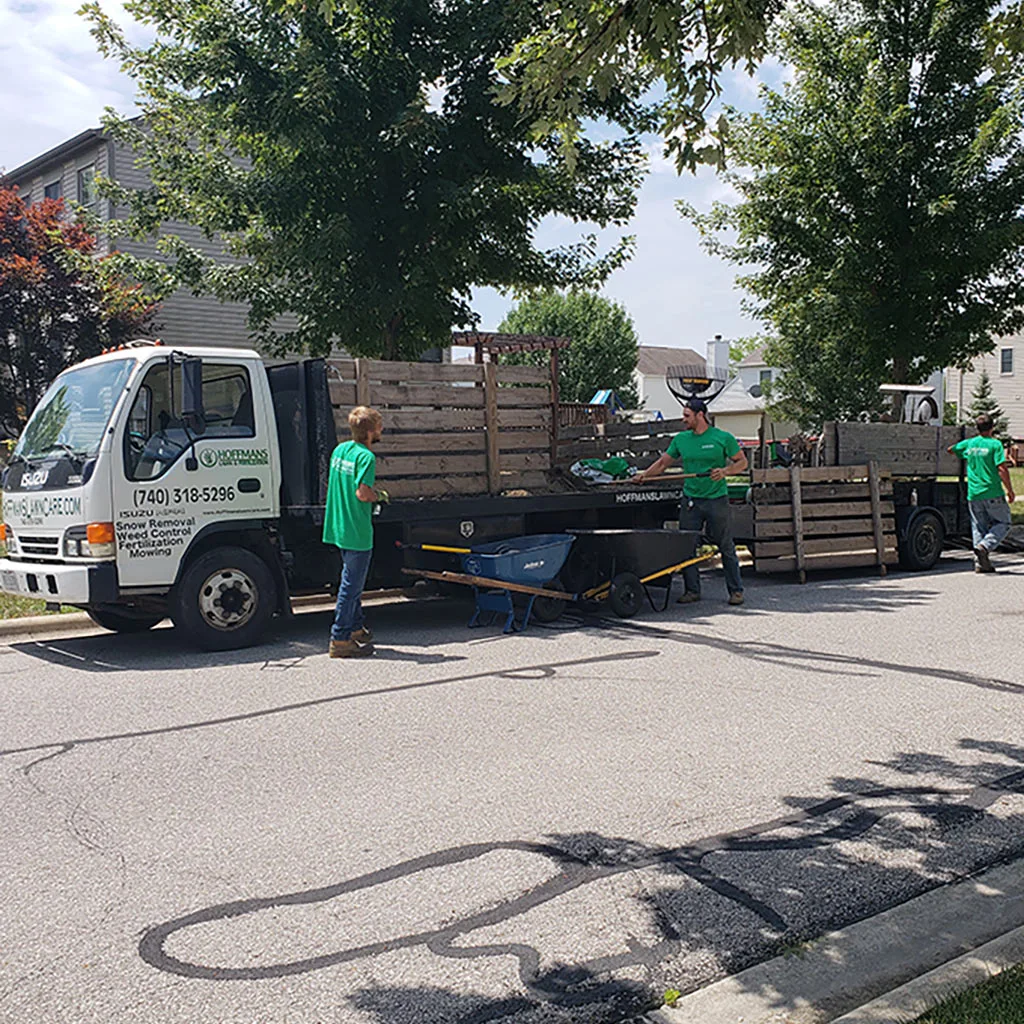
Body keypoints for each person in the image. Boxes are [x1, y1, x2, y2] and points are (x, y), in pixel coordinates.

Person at [633, 398, 749, 605]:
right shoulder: (681, 439)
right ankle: (692, 590)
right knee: (687, 545)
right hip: (691, 500)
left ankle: (736, 590)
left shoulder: (722, 438)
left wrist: (725, 471)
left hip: (716, 499)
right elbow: (662, 463)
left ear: (700, 415)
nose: (683, 419)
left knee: (725, 544)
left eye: (687, 415)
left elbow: (742, 462)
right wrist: (644, 476)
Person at [323, 406, 388, 657]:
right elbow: (362, 494)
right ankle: (340, 638)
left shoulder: (341, 450)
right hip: (357, 529)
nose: (382, 430)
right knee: (351, 586)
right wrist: (380, 495)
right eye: (380, 426)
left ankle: (355, 626)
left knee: (352, 580)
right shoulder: (366, 457)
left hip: (339, 524)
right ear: (370, 432)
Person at [948, 414, 1016, 573]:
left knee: (979, 527)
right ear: (992, 427)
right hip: (992, 491)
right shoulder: (995, 444)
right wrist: (1010, 490)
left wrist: (965, 454)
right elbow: (1001, 468)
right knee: (1004, 523)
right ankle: (985, 546)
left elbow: (951, 449)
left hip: (974, 493)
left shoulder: (971, 444)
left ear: (977, 429)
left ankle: (980, 564)